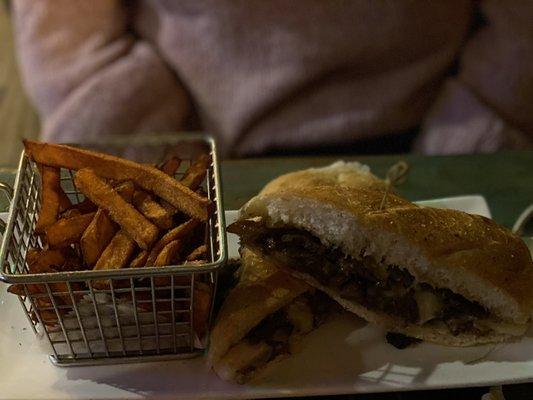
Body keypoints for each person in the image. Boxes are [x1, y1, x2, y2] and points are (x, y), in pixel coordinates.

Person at [12, 0, 533, 157]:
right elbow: (63, 31)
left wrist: (482, 123)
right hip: (190, 142)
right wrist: (144, 129)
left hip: (431, 136)